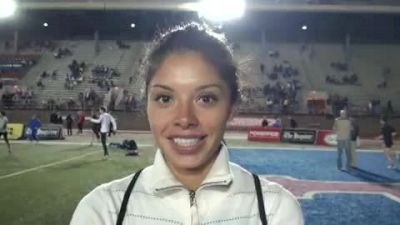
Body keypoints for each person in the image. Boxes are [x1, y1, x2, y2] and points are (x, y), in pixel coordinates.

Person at [70, 23, 303, 225]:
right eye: (165, 98)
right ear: (147, 105)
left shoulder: (275, 211)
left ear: (232, 108)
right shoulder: (102, 211)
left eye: (206, 99)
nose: (184, 119)